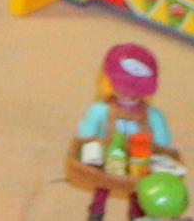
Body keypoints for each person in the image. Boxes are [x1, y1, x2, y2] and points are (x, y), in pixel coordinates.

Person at [73, 43, 175, 221]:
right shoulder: (102, 110)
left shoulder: (151, 116)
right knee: (102, 188)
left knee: (137, 194)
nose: (128, 95)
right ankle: (96, 214)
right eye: (123, 89)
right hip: (107, 160)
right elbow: (87, 130)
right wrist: (87, 146)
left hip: (139, 163)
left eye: (135, 92)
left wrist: (161, 154)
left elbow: (162, 141)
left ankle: (135, 216)